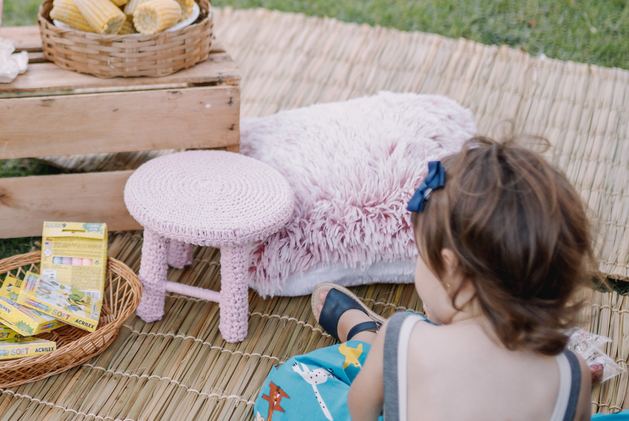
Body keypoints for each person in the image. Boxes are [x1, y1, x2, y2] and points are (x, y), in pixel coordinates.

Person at [254, 136, 600, 421]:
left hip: (397, 354)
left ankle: (364, 337)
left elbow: (360, 413)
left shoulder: (405, 337)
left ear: (450, 268)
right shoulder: (573, 373)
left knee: (293, 382)